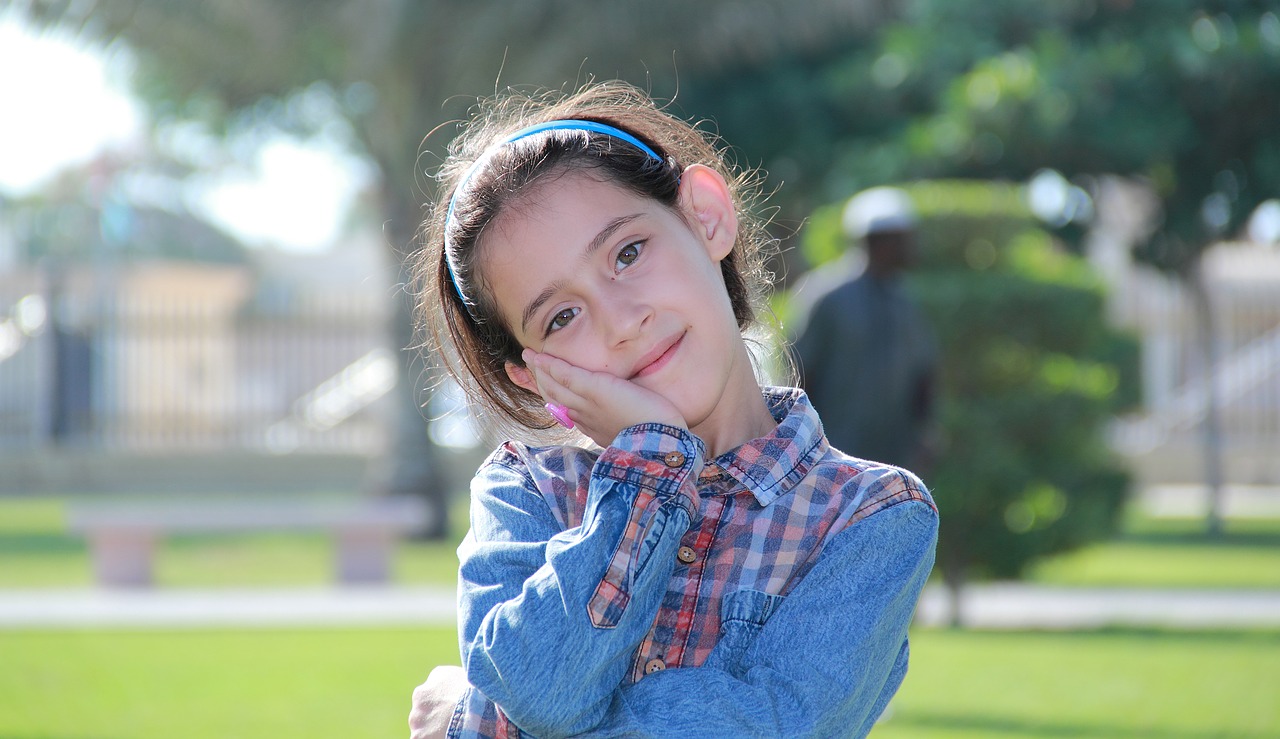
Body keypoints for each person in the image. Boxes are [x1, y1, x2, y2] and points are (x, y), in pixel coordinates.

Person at [406, 81, 938, 739]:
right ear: (535, 372)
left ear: (704, 216)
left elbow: (779, 725)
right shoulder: (527, 490)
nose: (623, 321)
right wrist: (651, 459)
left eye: (627, 252)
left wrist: (477, 721)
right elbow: (542, 692)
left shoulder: (871, 514)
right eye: (562, 315)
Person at [789, 187, 939, 473]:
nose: (913, 245)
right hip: (832, 458)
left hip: (891, 458)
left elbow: (923, 372)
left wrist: (924, 432)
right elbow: (798, 374)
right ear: (880, 241)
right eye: (904, 237)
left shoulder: (903, 300)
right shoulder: (827, 295)